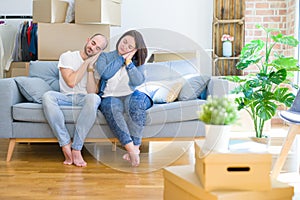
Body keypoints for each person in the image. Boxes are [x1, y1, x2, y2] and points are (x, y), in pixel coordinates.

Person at [42, 33, 108, 167]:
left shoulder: (98, 66)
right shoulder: (67, 56)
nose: (93, 48)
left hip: (84, 98)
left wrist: (90, 70)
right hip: (66, 97)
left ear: (100, 52)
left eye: (98, 48)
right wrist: (86, 62)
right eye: (93, 43)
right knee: (47, 96)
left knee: (94, 98)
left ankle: (77, 148)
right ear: (88, 40)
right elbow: (71, 82)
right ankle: (65, 143)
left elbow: (92, 92)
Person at [95, 30, 152, 167]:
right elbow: (106, 73)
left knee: (136, 103)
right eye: (124, 41)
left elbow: (138, 81)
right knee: (112, 109)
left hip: (131, 94)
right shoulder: (105, 56)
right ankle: (131, 149)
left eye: (129, 46)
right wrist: (121, 58)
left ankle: (136, 147)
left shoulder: (137, 62)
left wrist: (129, 63)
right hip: (110, 96)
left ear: (135, 50)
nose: (124, 46)